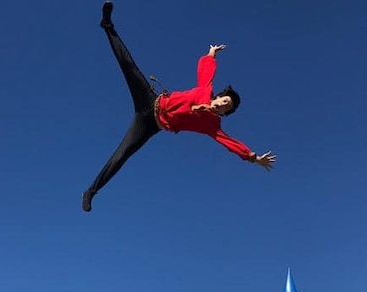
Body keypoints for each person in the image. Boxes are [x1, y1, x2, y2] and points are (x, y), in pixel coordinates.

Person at [82, 1, 275, 212]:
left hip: (150, 125)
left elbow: (229, 142)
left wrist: (253, 157)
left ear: (224, 113)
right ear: (220, 96)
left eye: (225, 108)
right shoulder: (205, 90)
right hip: (149, 100)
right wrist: (211, 54)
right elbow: (207, 70)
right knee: (128, 65)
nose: (222, 105)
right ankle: (107, 25)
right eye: (224, 101)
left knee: (122, 155)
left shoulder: (212, 125)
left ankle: (91, 191)